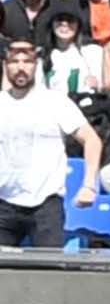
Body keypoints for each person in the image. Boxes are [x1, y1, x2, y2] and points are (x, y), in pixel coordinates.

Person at [0, 31, 102, 248]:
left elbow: (91, 140)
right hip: (4, 203)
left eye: (27, 61)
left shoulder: (56, 102)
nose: (20, 67)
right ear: (5, 66)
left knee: (49, 272)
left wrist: (89, 185)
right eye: (14, 61)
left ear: (36, 65)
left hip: (46, 204)